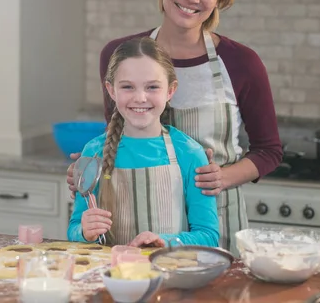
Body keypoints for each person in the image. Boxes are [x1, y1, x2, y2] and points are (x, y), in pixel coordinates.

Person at [67, 0, 282, 255]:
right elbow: (118, 130)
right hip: (131, 231)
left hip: (211, 225)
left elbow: (269, 150)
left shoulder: (241, 63)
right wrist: (88, 168)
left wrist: (220, 178)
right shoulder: (120, 54)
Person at [67, 37, 219, 248]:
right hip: (111, 277)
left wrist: (164, 241)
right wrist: (84, 231)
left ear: (170, 91)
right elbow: (74, 228)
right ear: (111, 91)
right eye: (128, 87)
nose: (140, 97)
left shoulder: (190, 153)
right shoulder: (93, 152)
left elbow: (208, 236)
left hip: (169, 275)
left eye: (152, 87)